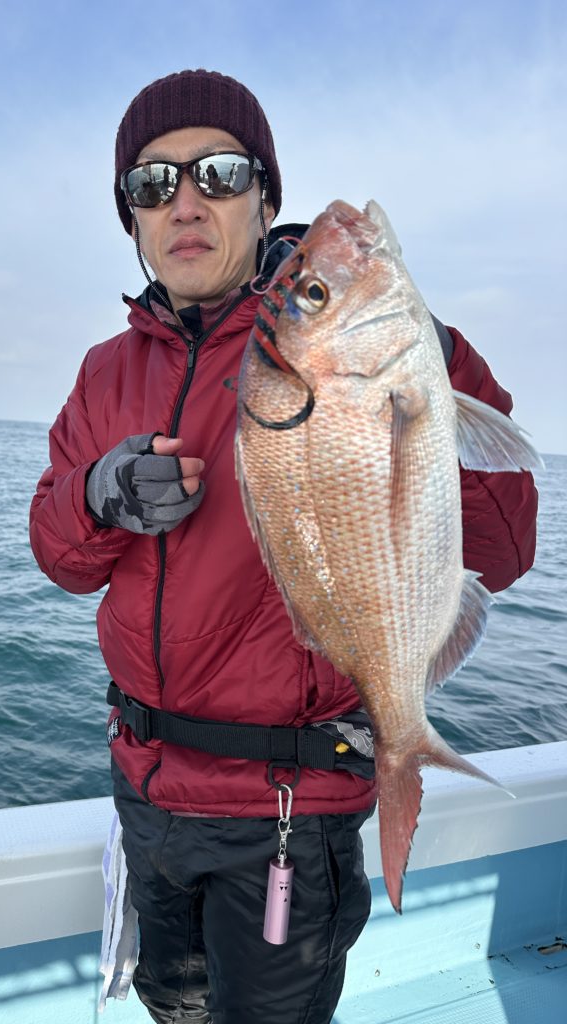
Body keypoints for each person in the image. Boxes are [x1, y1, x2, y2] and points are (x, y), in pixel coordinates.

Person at [29, 69, 538, 1024]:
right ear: (131, 219)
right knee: (172, 1004)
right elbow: (59, 558)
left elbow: (506, 551)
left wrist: (429, 361)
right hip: (144, 789)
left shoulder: (336, 345)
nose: (185, 202)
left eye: (219, 174)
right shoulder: (104, 372)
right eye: (152, 184)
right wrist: (96, 495)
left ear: (265, 199)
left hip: (286, 815)